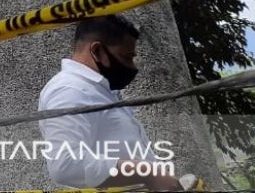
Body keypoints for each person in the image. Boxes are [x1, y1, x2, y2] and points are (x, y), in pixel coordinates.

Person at [38, 15, 184, 192]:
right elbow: (66, 165)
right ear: (97, 51)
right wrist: (148, 173)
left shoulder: (97, 90)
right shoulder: (70, 90)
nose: (132, 67)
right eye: (127, 57)